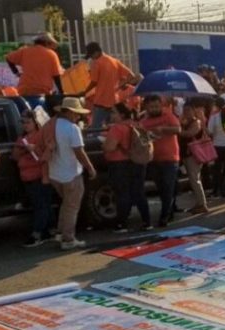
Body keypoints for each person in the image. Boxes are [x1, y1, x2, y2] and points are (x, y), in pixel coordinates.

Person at [47, 97, 96, 250]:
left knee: (66, 204)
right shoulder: (72, 128)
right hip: (71, 173)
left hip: (54, 172)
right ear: (69, 112)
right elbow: (79, 151)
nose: (78, 116)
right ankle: (68, 239)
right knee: (72, 207)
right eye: (76, 113)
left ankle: (60, 234)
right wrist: (90, 167)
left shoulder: (51, 125)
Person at [101, 103, 150, 233]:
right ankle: (147, 221)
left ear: (121, 114)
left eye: (113, 112)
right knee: (139, 192)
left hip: (119, 164)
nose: (111, 115)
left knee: (122, 193)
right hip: (138, 162)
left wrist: (104, 144)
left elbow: (109, 147)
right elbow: (146, 143)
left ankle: (121, 224)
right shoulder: (138, 125)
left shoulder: (117, 129)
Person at [12, 110, 53, 247]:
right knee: (39, 205)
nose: (25, 125)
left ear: (36, 122)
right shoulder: (21, 139)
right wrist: (24, 149)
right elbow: (15, 156)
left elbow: (47, 156)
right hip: (27, 178)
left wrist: (35, 149)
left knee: (42, 206)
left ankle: (37, 234)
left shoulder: (41, 136)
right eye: (23, 122)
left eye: (28, 122)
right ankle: (46, 231)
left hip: (40, 176)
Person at [141, 95, 182, 227]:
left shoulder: (168, 116)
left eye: (157, 106)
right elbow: (140, 138)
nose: (155, 109)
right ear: (146, 107)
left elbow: (178, 129)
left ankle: (164, 216)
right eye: (152, 107)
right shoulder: (144, 121)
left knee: (168, 187)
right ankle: (168, 211)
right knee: (161, 188)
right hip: (154, 159)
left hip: (170, 158)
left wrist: (163, 129)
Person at [82, 42, 139, 130]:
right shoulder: (114, 61)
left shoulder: (97, 63)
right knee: (112, 127)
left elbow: (94, 82)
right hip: (114, 101)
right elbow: (131, 75)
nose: (92, 58)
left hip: (101, 101)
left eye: (91, 55)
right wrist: (123, 84)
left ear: (97, 52)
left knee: (96, 128)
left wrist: (84, 92)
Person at [6, 32, 65, 101]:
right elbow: (56, 76)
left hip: (24, 90)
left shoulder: (24, 51)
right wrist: (61, 92)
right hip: (42, 90)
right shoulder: (51, 54)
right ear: (46, 42)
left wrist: (16, 72)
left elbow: (8, 58)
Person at [180, 98, 210, 215]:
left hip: (194, 155)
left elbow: (190, 133)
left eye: (188, 110)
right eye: (184, 110)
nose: (186, 112)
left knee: (195, 179)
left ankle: (202, 204)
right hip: (187, 154)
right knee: (194, 179)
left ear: (193, 111)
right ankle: (199, 203)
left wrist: (178, 130)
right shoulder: (185, 122)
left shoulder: (196, 122)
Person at [207, 94, 225, 197]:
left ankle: (216, 190)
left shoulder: (213, 116)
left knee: (217, 170)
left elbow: (210, 131)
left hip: (217, 146)